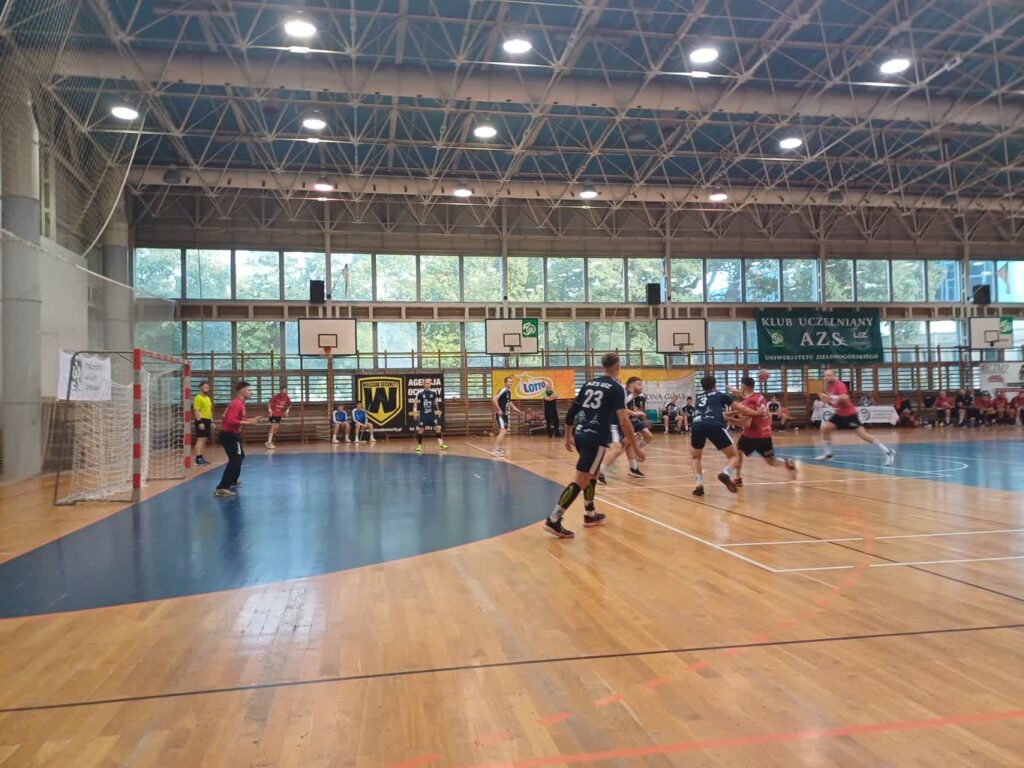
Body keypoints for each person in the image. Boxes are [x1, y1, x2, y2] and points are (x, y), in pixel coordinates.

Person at [544, 352, 643, 539]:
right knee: (581, 479)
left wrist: (568, 436)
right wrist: (636, 448)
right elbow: (624, 420)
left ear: (603, 365)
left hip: (581, 434)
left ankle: (590, 513)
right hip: (596, 438)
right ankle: (554, 519)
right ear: (617, 366)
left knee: (593, 474)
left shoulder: (589, 383)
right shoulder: (617, 388)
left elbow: (572, 411)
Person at [729, 377, 798, 487]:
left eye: (741, 386)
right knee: (771, 461)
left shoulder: (747, 403)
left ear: (744, 386)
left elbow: (746, 423)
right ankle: (786, 463)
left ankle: (738, 479)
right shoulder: (759, 397)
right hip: (765, 435)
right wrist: (735, 391)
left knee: (738, 454)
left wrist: (729, 419)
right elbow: (747, 397)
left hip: (752, 435)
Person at [817, 368, 895, 465]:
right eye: (825, 376)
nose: (826, 377)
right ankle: (828, 453)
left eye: (829, 375)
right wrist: (823, 400)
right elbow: (830, 401)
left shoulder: (839, 385)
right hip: (839, 414)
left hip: (850, 414)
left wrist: (830, 397)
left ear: (834, 376)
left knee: (864, 436)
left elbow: (845, 398)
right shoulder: (828, 387)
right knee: (825, 428)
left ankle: (888, 451)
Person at [690, 375, 742, 496]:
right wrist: (752, 412)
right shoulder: (720, 395)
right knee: (734, 456)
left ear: (703, 386)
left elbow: (714, 413)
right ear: (715, 384)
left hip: (697, 424)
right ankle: (726, 473)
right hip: (714, 425)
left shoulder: (699, 397)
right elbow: (739, 408)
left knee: (696, 457)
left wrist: (731, 414)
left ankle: (699, 484)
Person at [214, 381, 261, 497]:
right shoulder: (237, 404)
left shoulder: (240, 403)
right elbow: (230, 420)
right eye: (249, 390)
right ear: (242, 391)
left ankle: (233, 479)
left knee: (240, 457)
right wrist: (249, 423)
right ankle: (222, 488)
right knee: (235, 460)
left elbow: (239, 419)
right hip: (228, 435)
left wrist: (251, 420)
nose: (251, 392)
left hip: (233, 434)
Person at [414, 379, 448, 452]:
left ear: (430, 384)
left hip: (431, 414)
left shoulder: (433, 392)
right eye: (426, 383)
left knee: (437, 428)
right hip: (423, 415)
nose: (428, 384)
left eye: (429, 383)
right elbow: (415, 403)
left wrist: (438, 410)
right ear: (423, 384)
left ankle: (441, 444)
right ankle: (419, 445)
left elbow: (435, 402)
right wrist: (415, 412)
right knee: (420, 430)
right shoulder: (419, 393)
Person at [492, 377, 523, 455]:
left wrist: (517, 410)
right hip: (501, 414)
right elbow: (494, 399)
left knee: (504, 431)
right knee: (503, 431)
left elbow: (509, 402)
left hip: (505, 414)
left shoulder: (508, 392)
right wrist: (499, 410)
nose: (511, 383)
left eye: (511, 382)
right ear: (505, 382)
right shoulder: (503, 390)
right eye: (509, 382)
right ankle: (495, 449)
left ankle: (499, 448)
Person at [626, 377, 654, 446]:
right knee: (628, 443)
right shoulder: (623, 394)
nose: (641, 387)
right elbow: (622, 411)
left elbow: (641, 410)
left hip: (635, 421)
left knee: (649, 437)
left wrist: (645, 420)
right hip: (625, 422)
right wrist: (634, 413)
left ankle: (637, 450)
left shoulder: (641, 397)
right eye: (639, 384)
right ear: (631, 385)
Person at [192, 380, 213, 466]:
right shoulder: (198, 398)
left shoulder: (207, 398)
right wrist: (200, 422)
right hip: (201, 420)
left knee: (204, 440)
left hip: (207, 420)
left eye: (208, 387)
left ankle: (201, 457)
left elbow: (210, 411)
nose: (207, 389)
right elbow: (196, 411)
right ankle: (198, 459)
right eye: (205, 387)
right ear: (201, 388)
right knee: (200, 439)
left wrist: (212, 422)